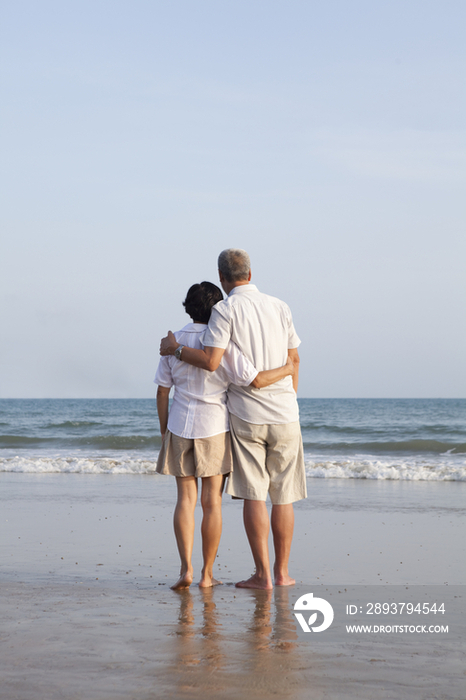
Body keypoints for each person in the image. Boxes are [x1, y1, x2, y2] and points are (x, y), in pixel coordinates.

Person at [160, 250, 306, 590]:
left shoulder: (225, 311)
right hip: (284, 412)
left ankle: (261, 575)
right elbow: (295, 358)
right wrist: (289, 391)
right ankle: (280, 574)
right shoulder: (281, 306)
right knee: (283, 496)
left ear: (222, 277)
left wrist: (175, 349)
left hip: (246, 416)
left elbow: (212, 362)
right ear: (251, 273)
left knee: (253, 495)